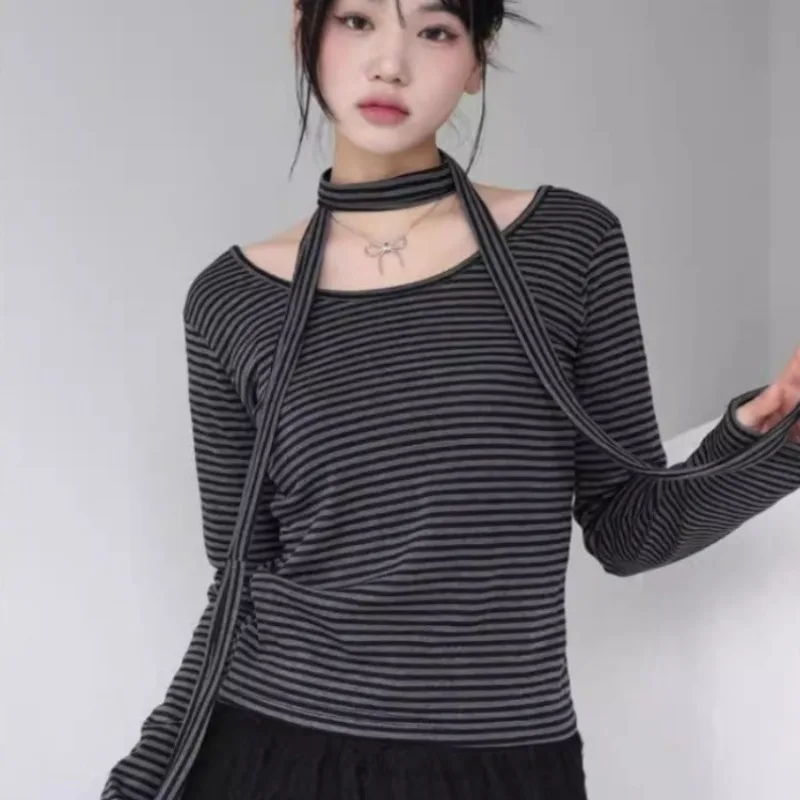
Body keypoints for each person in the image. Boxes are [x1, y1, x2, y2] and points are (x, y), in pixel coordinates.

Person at [100, 1, 800, 799]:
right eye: (356, 20)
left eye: (435, 31)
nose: (390, 62)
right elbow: (238, 590)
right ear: (304, 30)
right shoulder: (231, 302)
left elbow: (631, 528)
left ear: (477, 61)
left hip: (507, 767)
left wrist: (777, 438)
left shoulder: (570, 247)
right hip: (276, 751)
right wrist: (143, 781)